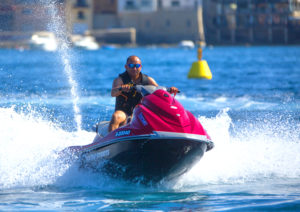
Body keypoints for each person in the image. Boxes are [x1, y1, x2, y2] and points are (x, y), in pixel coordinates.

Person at [109, 55, 178, 132]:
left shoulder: (148, 80)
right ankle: (109, 140)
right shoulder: (120, 80)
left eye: (137, 66)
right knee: (116, 117)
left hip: (141, 112)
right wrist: (121, 89)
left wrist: (171, 90)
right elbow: (113, 93)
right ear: (126, 67)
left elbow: (159, 92)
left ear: (141, 67)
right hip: (124, 112)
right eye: (131, 65)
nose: (134, 68)